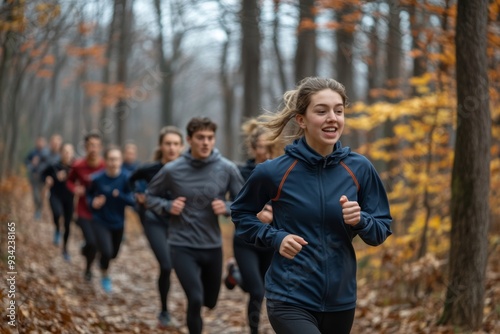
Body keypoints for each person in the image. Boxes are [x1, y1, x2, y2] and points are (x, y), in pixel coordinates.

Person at [230, 77, 393, 334]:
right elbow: (241, 214)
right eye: (322, 111)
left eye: (338, 111)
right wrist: (275, 237)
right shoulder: (273, 172)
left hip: (341, 299)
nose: (332, 117)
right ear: (301, 119)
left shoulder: (359, 169)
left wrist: (361, 220)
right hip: (289, 297)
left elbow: (381, 229)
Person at [147, 117, 244, 334]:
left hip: (211, 245)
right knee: (195, 298)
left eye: (210, 138)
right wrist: (168, 205)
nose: (206, 143)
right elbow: (150, 196)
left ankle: (226, 274)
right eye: (200, 138)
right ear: (189, 139)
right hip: (182, 245)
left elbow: (244, 202)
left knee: (210, 302)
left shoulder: (227, 168)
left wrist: (228, 207)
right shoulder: (172, 170)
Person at [128, 126, 184, 327]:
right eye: (168, 143)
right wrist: (138, 195)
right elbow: (131, 179)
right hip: (154, 221)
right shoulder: (150, 169)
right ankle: (164, 310)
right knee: (167, 265)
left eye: (176, 144)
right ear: (161, 146)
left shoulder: (187, 168)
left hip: (178, 223)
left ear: (182, 146)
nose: (171, 148)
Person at [224, 119, 275, 334]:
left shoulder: (280, 171)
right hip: (245, 240)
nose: (266, 152)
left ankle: (235, 273)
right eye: (262, 146)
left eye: (270, 147)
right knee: (256, 290)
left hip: (270, 240)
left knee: (263, 289)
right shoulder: (240, 172)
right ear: (253, 148)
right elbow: (231, 204)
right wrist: (256, 213)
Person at [87, 146, 135, 293]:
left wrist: (119, 195)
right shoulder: (97, 178)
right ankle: (105, 275)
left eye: (117, 159)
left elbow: (132, 201)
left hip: (118, 223)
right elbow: (88, 196)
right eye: (111, 159)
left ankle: (100, 259)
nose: (114, 162)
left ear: (121, 161)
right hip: (100, 220)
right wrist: (93, 202)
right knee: (107, 252)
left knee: (113, 254)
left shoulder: (127, 178)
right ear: (106, 160)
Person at [66, 131, 105, 281]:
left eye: (96, 145)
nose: (93, 148)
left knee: (94, 245)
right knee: (92, 242)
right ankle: (88, 263)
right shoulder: (78, 165)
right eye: (90, 145)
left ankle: (88, 265)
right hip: (83, 210)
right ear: (85, 147)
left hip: (100, 212)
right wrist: (75, 189)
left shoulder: (104, 165)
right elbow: (69, 181)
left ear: (100, 147)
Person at [41, 143, 75, 259]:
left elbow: (83, 179)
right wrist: (47, 178)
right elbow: (43, 174)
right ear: (61, 153)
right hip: (55, 195)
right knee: (57, 213)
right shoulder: (54, 165)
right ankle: (56, 229)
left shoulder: (75, 167)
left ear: (73, 153)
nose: (67, 154)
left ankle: (65, 249)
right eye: (65, 151)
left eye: (69, 151)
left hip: (69, 198)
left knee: (67, 224)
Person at [25, 136, 49, 219]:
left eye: (42, 142)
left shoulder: (46, 153)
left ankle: (40, 208)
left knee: (42, 194)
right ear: (36, 142)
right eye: (39, 142)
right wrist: (32, 164)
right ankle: (37, 209)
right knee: (35, 194)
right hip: (34, 177)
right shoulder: (32, 152)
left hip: (42, 177)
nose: (40, 143)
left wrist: (40, 169)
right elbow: (26, 161)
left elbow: (48, 165)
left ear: (44, 143)